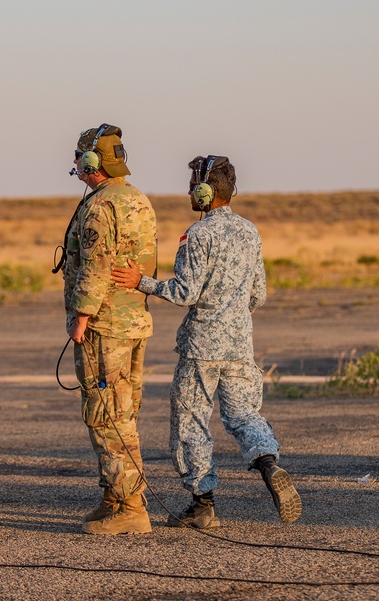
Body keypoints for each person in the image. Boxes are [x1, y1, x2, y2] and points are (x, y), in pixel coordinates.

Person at [111, 155, 301, 528]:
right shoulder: (250, 231)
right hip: (240, 345)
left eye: (191, 186)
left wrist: (141, 282)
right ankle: (268, 462)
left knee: (191, 422)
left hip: (201, 348)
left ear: (204, 191)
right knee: (244, 414)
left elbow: (184, 292)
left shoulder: (198, 235)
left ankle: (202, 503)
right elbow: (258, 295)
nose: (187, 191)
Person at [60, 123, 158, 535]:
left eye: (80, 159)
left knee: (107, 415)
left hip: (106, 326)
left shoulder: (101, 206)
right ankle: (116, 496)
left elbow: (97, 266)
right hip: (132, 322)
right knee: (122, 411)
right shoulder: (136, 199)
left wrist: (81, 317)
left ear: (91, 162)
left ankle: (131, 507)